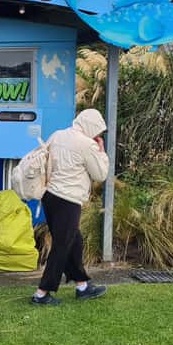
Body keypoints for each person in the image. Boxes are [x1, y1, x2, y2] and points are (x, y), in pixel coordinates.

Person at [31, 108, 110, 306]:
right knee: (62, 246)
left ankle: (82, 286)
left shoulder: (58, 135)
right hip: (68, 200)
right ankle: (41, 293)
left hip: (50, 197)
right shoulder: (87, 144)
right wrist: (101, 152)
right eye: (98, 131)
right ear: (91, 126)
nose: (99, 135)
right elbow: (100, 174)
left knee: (74, 240)